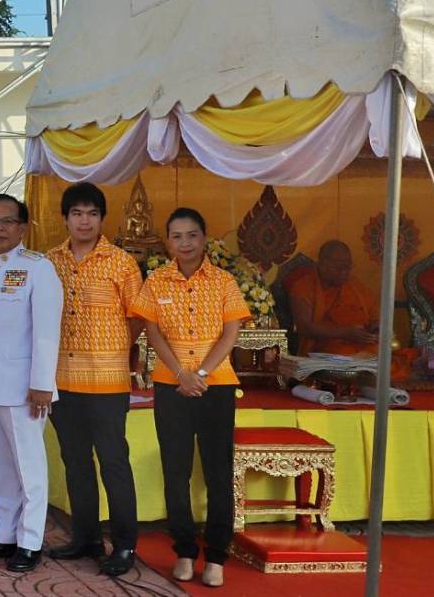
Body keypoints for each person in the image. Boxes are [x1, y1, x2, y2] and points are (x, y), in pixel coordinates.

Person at [132, 207, 249, 589]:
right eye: (177, 236)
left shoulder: (223, 281)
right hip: (171, 384)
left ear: (204, 238)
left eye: (192, 235)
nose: (185, 243)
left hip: (216, 384)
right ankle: (184, 549)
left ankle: (216, 555)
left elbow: (230, 334)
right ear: (169, 241)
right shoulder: (156, 282)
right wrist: (181, 375)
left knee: (218, 472)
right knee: (176, 470)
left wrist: (200, 374)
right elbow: (152, 332)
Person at [44, 182, 143, 576]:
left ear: (102, 219)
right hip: (62, 381)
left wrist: (113, 346)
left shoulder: (121, 263)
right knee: (76, 463)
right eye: (76, 213)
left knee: (114, 462)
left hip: (106, 381)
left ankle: (124, 545)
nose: (84, 221)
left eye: (92, 214)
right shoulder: (49, 261)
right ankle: (84, 537)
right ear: (65, 218)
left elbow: (137, 316)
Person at [0, 194, 63, 573]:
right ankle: (4, 533)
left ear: (23, 227)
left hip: (24, 388)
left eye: (7, 221)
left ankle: (31, 539)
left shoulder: (38, 268)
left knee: (28, 465)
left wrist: (41, 383)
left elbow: (46, 333)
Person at [288, 240, 379, 356]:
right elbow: (304, 327)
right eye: (338, 268)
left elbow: (375, 316)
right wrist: (344, 333)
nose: (344, 273)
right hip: (325, 349)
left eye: (348, 267)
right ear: (322, 265)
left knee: (391, 357)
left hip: (363, 345)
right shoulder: (304, 287)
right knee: (344, 355)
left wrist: (376, 330)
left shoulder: (354, 285)